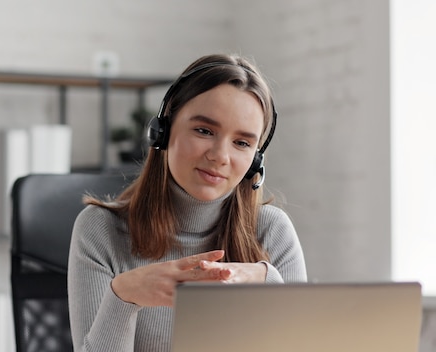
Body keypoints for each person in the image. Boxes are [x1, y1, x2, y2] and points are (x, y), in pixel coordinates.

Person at [67, 53, 307, 352]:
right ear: (163, 131)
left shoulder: (272, 231)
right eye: (204, 131)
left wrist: (266, 280)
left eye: (242, 143)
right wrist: (124, 297)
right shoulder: (100, 230)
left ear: (255, 159)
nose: (220, 155)